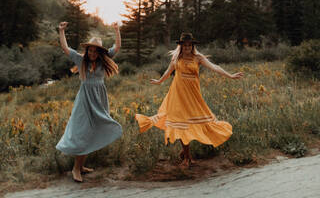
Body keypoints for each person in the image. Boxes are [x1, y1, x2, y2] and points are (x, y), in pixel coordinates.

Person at [135, 33, 243, 166]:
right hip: (178, 95)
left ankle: (184, 153)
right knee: (181, 124)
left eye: (189, 45)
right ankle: (187, 157)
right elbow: (168, 72)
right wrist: (158, 81)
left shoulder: (198, 58)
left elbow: (215, 67)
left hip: (193, 96)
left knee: (195, 123)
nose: (187, 47)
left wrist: (230, 75)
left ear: (192, 46)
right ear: (180, 46)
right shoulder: (176, 58)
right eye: (185, 45)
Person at [56, 21, 122, 182]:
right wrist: (61, 31)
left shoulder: (103, 60)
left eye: (95, 51)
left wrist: (116, 30)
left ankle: (81, 165)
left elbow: (117, 47)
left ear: (100, 52)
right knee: (83, 131)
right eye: (90, 50)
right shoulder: (81, 61)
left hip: (99, 100)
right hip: (85, 100)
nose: (92, 53)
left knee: (92, 131)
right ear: (87, 51)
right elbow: (66, 49)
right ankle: (76, 169)